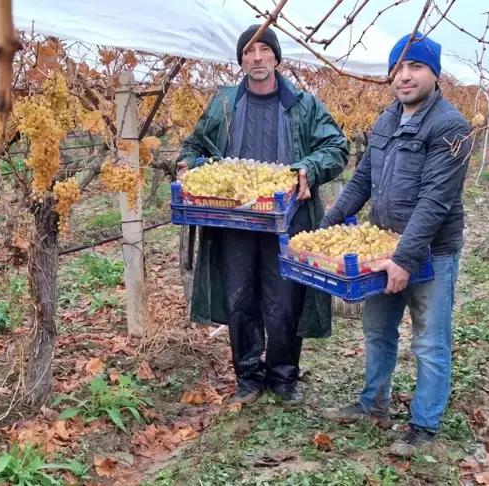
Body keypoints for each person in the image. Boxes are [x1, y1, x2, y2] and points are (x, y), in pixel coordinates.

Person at [176, 25, 348, 405]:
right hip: (233, 220)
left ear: (276, 57)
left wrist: (309, 168)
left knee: (284, 299)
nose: (256, 58)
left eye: (263, 50)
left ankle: (284, 377)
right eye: (248, 52)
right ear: (241, 61)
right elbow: (193, 144)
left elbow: (337, 147)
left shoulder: (303, 105)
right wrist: (188, 164)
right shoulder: (223, 105)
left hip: (287, 220)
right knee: (240, 297)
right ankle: (249, 376)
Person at [319, 32, 471, 457]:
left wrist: (404, 257)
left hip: (429, 254)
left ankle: (423, 425)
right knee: (377, 331)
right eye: (398, 68)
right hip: (381, 249)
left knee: (429, 341)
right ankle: (373, 404)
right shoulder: (386, 119)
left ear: (434, 74)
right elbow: (362, 181)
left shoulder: (452, 127)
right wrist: (326, 226)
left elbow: (434, 200)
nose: (404, 76)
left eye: (415, 67)